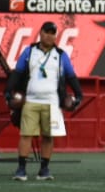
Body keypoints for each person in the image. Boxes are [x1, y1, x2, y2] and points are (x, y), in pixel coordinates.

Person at [6, 22, 84, 182]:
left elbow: (71, 76)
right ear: (40, 33)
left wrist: (79, 94)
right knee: (26, 134)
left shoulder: (61, 55)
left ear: (56, 36)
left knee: (49, 136)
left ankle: (44, 169)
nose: (49, 35)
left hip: (52, 102)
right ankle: (21, 169)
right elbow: (18, 72)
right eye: (47, 32)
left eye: (52, 33)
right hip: (31, 100)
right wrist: (8, 91)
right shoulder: (29, 52)